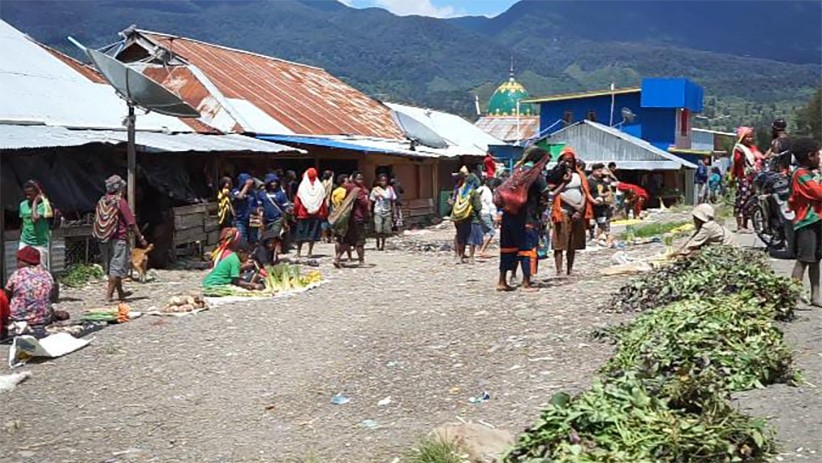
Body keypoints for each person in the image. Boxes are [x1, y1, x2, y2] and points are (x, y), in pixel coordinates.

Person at [497, 146, 552, 291]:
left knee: (507, 248)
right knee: (527, 249)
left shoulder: (517, 172)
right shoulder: (535, 175)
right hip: (527, 218)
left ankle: (502, 281)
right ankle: (526, 282)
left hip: (509, 215)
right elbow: (546, 194)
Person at [97, 175, 148, 302]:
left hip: (104, 238)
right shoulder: (120, 202)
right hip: (119, 238)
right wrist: (140, 237)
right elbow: (131, 222)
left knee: (113, 267)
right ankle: (108, 296)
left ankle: (121, 293)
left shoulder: (102, 200)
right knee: (116, 267)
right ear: (120, 188)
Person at [788, 138, 822, 307]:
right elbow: (818, 193)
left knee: (816, 259)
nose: (819, 158)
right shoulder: (800, 175)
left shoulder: (811, 174)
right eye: (817, 155)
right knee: (803, 259)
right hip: (806, 222)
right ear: (810, 156)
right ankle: (793, 296)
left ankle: (816, 296)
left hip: (817, 221)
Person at [551, 147, 594, 276]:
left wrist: (580, 206)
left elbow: (584, 191)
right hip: (562, 210)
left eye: (570, 161)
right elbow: (555, 193)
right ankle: (559, 270)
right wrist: (573, 204)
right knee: (559, 242)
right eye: (565, 161)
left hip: (578, 211)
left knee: (573, 242)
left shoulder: (579, 175)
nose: (568, 164)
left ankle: (570, 269)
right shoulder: (556, 175)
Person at [4, 246, 54, 329]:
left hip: (19, 319)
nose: (17, 264)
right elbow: (50, 295)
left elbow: (6, 296)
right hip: (44, 319)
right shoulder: (47, 274)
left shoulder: (18, 274)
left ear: (24, 261)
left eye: (18, 260)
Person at [334, 172, 370, 267]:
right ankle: (361, 261)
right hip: (357, 218)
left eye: (361, 179)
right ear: (354, 179)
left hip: (349, 219)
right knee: (360, 241)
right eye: (358, 179)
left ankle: (337, 259)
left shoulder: (348, 188)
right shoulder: (357, 190)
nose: (360, 181)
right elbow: (364, 203)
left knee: (347, 241)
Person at [731, 126, 764, 232]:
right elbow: (736, 163)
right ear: (742, 138)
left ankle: (746, 225)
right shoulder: (739, 149)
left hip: (754, 179)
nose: (750, 139)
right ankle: (739, 226)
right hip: (744, 178)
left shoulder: (753, 148)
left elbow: (761, 158)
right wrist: (732, 177)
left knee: (752, 202)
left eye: (751, 137)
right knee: (742, 201)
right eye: (747, 137)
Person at [293, 168, 328, 258]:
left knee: (300, 233)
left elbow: (297, 202)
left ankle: (298, 252)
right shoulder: (320, 187)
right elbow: (323, 201)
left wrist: (295, 212)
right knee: (312, 233)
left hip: (303, 214)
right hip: (316, 214)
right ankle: (309, 252)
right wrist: (324, 213)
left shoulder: (302, 187)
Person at [18, 180, 53, 270]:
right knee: (22, 268)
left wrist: (35, 202)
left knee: (39, 270)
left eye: (30, 194)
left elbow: (34, 218)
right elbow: (23, 222)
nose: (27, 197)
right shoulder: (22, 205)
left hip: (39, 243)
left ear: (37, 194)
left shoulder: (44, 205)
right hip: (25, 241)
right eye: (26, 194)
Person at [257, 173, 290, 262]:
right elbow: (260, 208)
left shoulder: (281, 194)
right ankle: (266, 256)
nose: (273, 184)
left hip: (277, 219)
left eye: (275, 182)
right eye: (271, 182)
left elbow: (284, 208)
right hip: (266, 220)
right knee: (265, 239)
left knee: (273, 238)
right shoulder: (261, 194)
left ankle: (274, 257)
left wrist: (285, 220)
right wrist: (260, 220)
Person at [451, 166, 481, 263]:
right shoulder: (473, 192)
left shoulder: (459, 190)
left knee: (460, 237)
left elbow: (452, 202)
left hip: (459, 217)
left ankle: (459, 256)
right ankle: (471, 258)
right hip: (472, 218)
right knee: (472, 238)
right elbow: (478, 207)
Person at [370, 174, 397, 251]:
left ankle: (383, 244)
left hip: (387, 211)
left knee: (386, 230)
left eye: (385, 180)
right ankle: (377, 242)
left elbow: (393, 201)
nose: (383, 182)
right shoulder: (375, 190)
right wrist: (369, 211)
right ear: (378, 181)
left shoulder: (390, 189)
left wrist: (394, 213)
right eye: (382, 181)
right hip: (378, 211)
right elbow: (371, 201)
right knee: (378, 230)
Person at [587, 164, 612, 241]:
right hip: (592, 205)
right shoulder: (589, 181)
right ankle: (592, 236)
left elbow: (608, 191)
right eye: (599, 171)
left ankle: (600, 236)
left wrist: (604, 195)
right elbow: (587, 193)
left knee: (602, 221)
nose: (600, 173)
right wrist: (593, 200)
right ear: (593, 171)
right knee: (591, 222)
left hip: (602, 206)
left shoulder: (603, 182)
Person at [231, 173, 259, 244]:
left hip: (252, 219)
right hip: (240, 220)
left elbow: (256, 205)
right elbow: (240, 197)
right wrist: (246, 186)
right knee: (242, 239)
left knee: (253, 239)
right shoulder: (235, 190)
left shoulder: (252, 193)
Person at [477, 177, 497, 258]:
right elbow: (490, 204)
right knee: (491, 232)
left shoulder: (479, 189)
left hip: (479, 212)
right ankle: (482, 250)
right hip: (485, 212)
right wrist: (494, 216)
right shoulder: (487, 191)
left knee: (482, 232)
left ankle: (479, 249)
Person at [321, 170, 335, 242]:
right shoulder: (333, 185)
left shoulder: (321, 184)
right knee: (332, 220)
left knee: (324, 220)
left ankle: (324, 237)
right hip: (330, 203)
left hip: (323, 203)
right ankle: (332, 237)